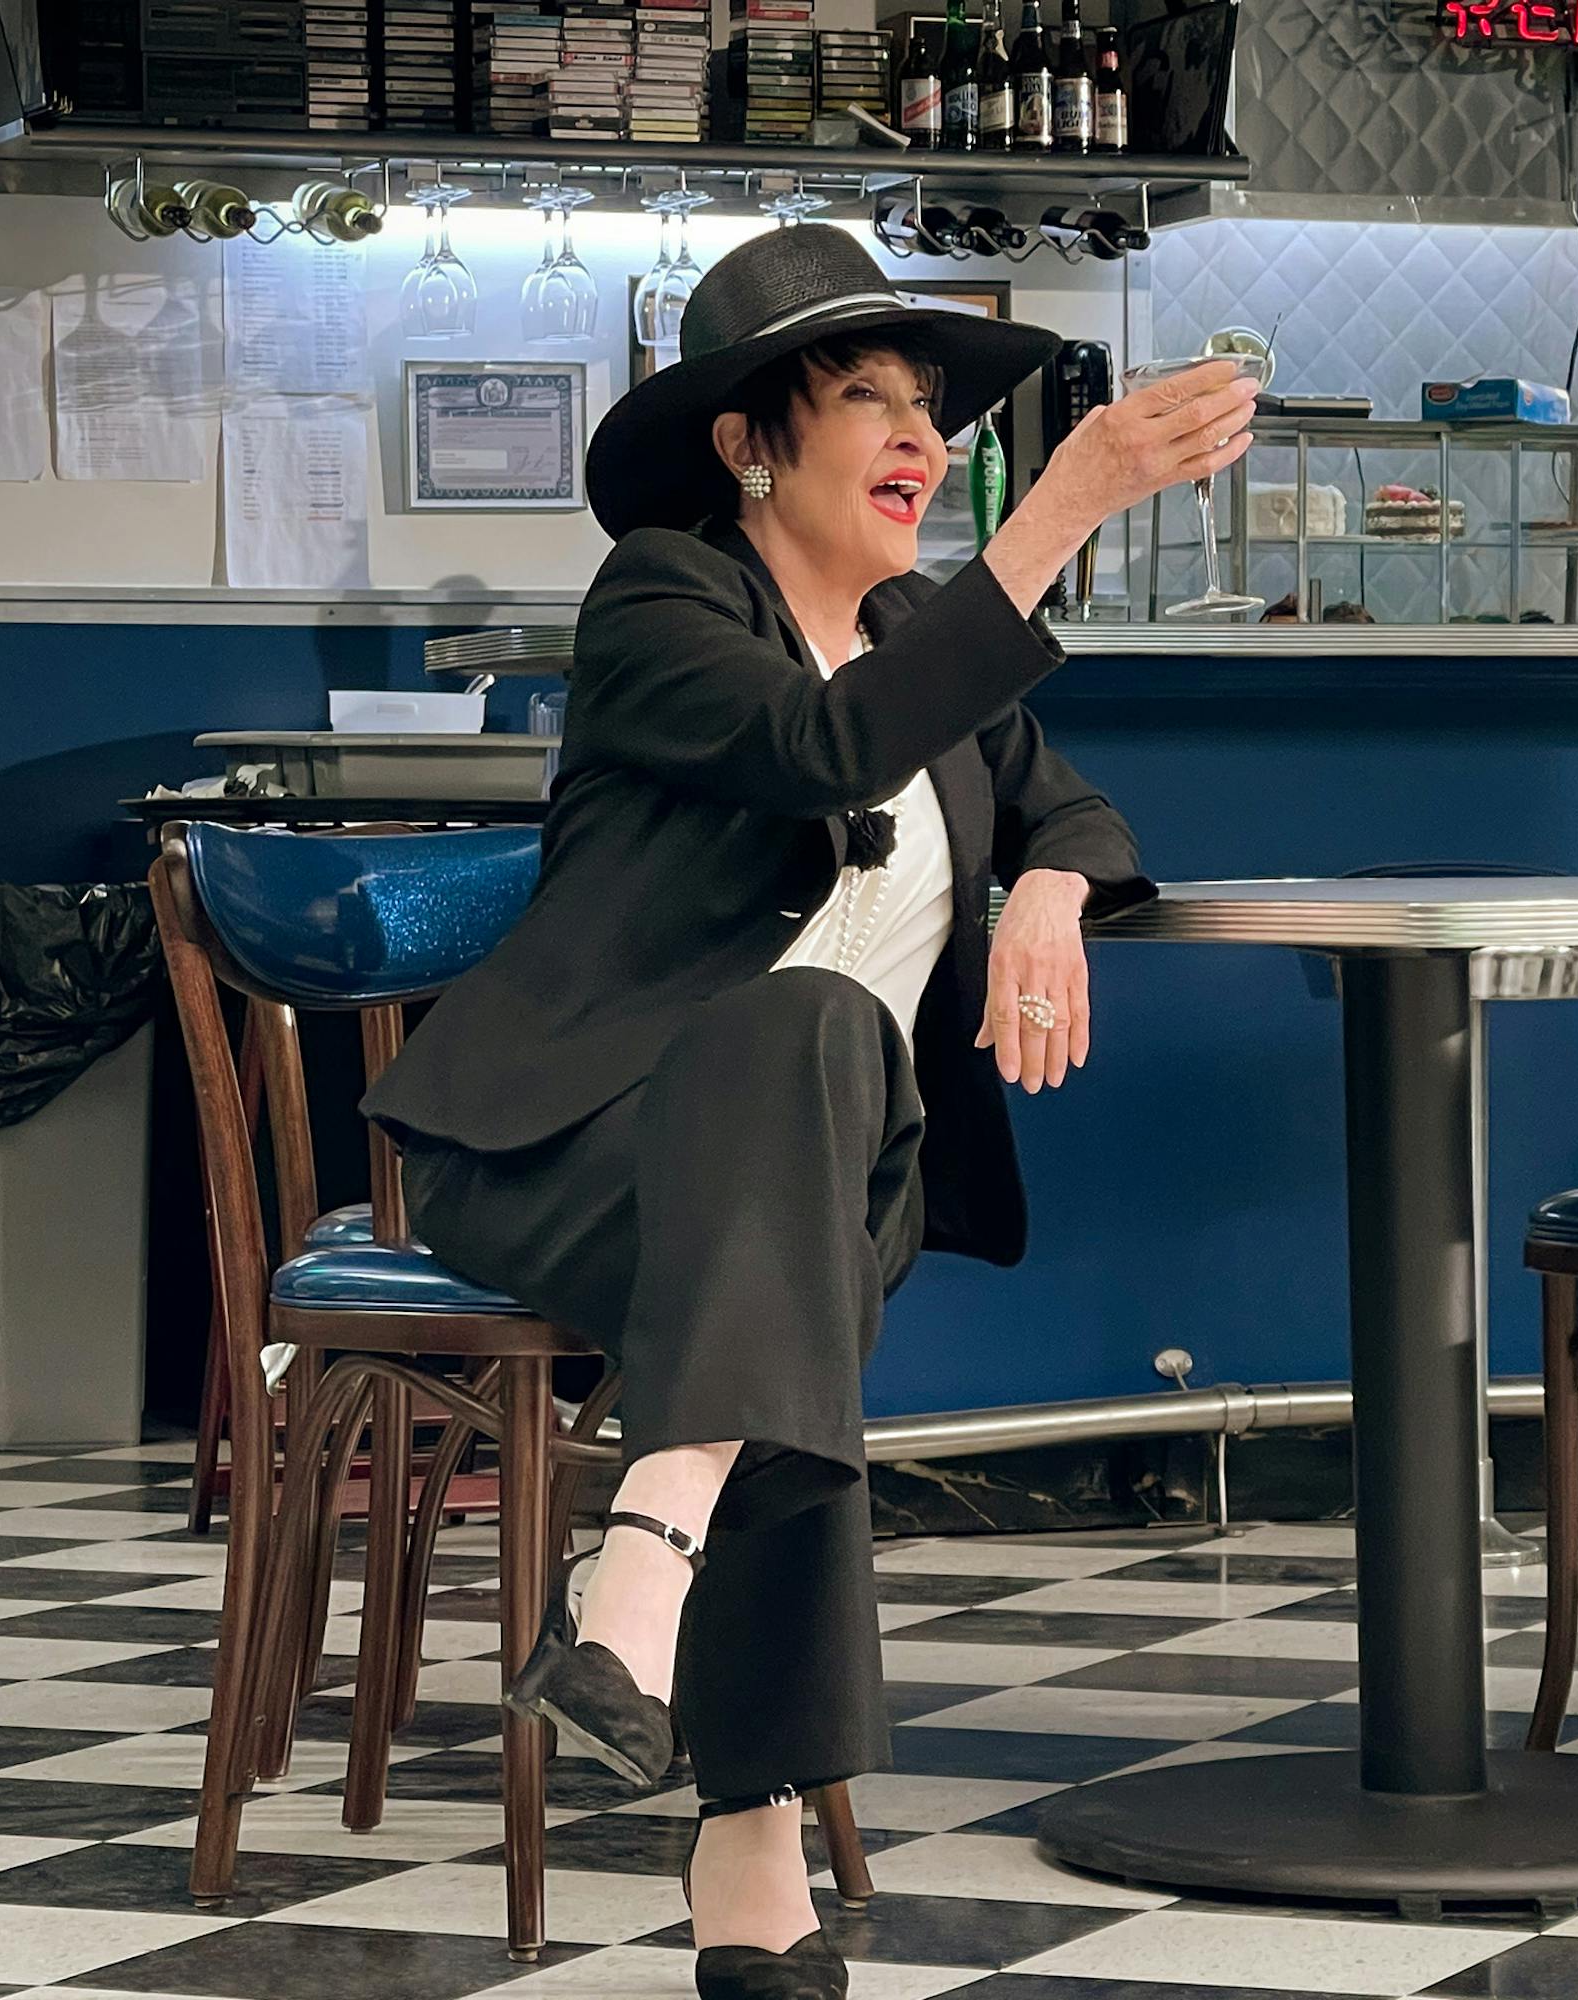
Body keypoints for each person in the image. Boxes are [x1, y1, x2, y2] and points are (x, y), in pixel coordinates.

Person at [364, 224, 1255, 1999]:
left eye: (933, 407)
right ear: (748, 444)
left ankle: (642, 1590)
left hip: (813, 1181)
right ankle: (745, 1842)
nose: (920, 438)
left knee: (815, 1106)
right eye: (869, 399)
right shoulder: (661, 604)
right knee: (806, 1045)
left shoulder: (932, 628)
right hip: (577, 1152)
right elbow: (824, 749)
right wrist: (1062, 508)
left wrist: (1054, 893)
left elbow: (1075, 811)